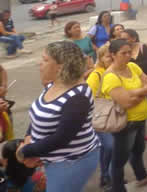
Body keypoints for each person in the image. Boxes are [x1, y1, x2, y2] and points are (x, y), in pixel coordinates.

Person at [17, 41, 100, 191]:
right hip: (49, 156)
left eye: (45, 60)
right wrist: (28, 137)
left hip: (70, 162)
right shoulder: (52, 85)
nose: (39, 63)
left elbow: (61, 138)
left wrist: (24, 152)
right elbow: (38, 114)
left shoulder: (78, 96)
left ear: (60, 66)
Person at [102, 39, 147, 192]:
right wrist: (144, 92)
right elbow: (126, 103)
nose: (128, 56)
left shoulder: (132, 66)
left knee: (138, 151)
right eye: (123, 53)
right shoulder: (110, 76)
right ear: (113, 55)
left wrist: (134, 93)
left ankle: (142, 177)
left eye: (129, 52)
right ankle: (118, 188)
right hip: (125, 124)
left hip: (140, 119)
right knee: (120, 159)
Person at [86, 44, 114, 189]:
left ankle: (107, 175)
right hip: (101, 116)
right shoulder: (96, 74)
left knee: (109, 148)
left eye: (112, 55)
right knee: (109, 146)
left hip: (116, 115)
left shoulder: (117, 71)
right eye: (108, 56)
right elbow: (86, 97)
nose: (111, 58)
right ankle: (108, 176)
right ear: (101, 58)